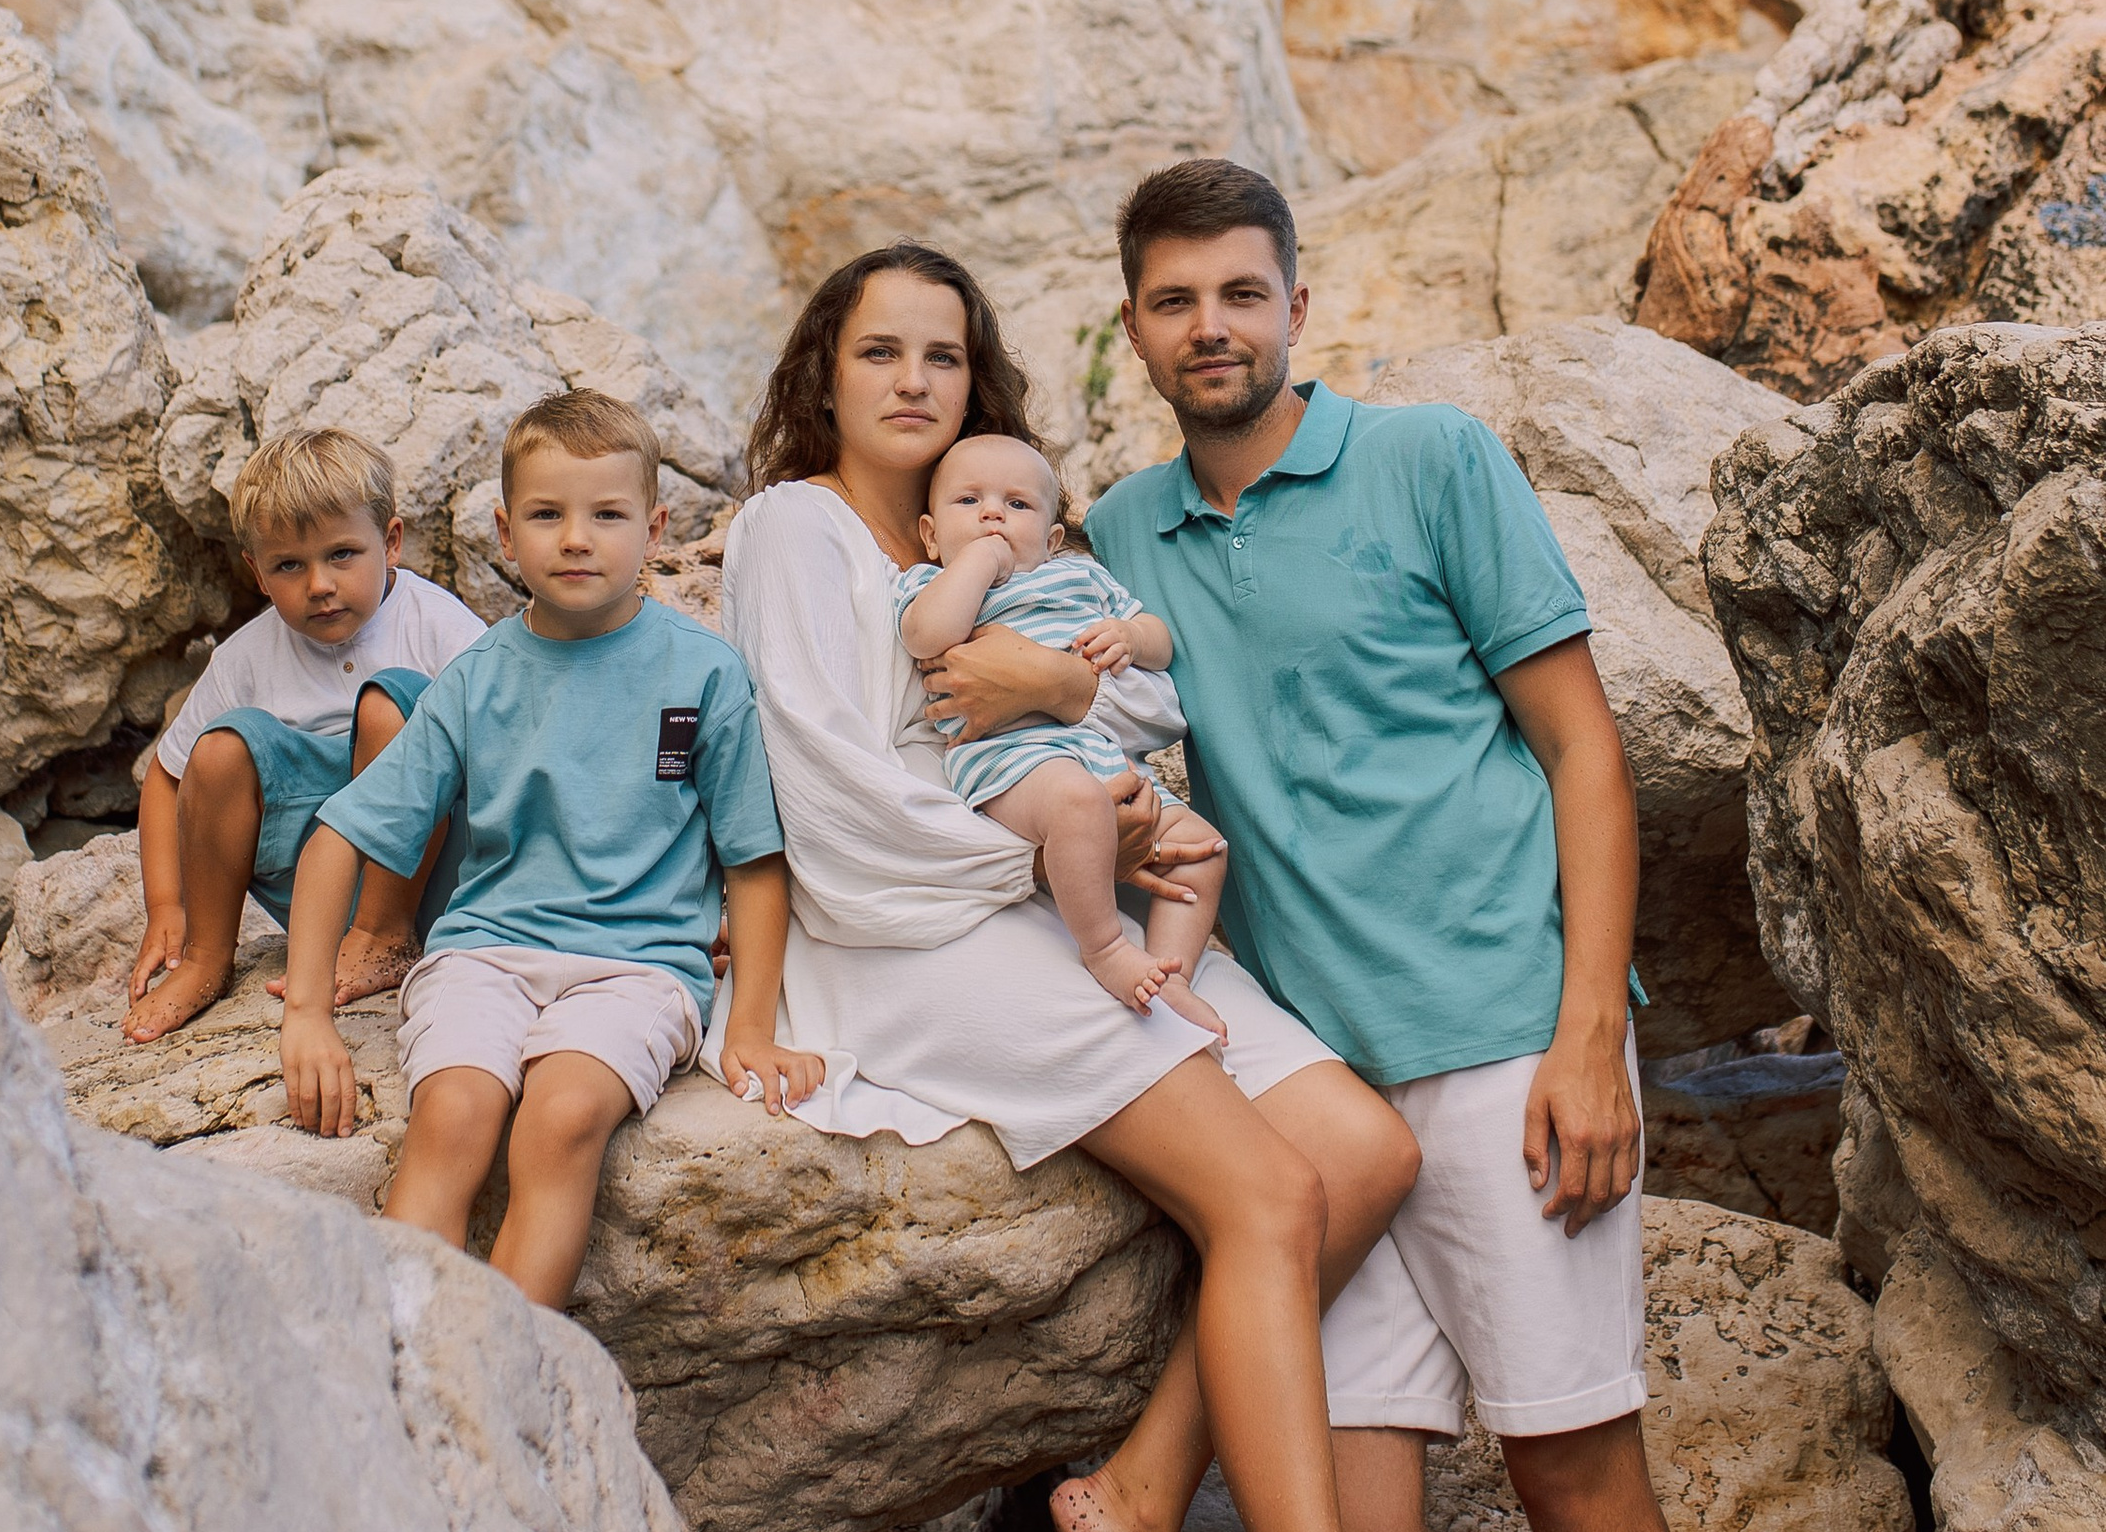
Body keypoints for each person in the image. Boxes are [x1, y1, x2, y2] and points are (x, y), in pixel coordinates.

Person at [721, 244, 1424, 1532]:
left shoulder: (1006, 516)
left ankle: (1140, 1490)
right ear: (824, 373)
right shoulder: (793, 527)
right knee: (1269, 1194)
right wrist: (1061, 840)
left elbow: (1142, 687)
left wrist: (1086, 754)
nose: (915, 379)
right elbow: (825, 786)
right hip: (918, 927)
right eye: (879, 350)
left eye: (943, 353)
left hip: (1070, 884)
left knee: (1364, 1153)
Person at [1085, 161, 1668, 1532]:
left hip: (1503, 1040)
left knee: (1570, 1471)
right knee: (1345, 1489)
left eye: (1240, 292)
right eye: (1175, 301)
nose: (1211, 325)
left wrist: (1588, 1041)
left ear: (1298, 300)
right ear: (1134, 330)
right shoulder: (1115, 536)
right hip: (1317, 1099)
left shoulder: (1432, 459)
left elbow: (1586, 752)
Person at [277, 390, 822, 1310]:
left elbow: (754, 861)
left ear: (653, 528)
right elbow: (341, 833)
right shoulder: (479, 677)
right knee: (453, 1115)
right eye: (546, 514)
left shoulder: (702, 672)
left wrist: (753, 1025)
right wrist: (306, 1012)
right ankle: (400, 1365)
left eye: (607, 515)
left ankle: (506, 1379)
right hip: (485, 954)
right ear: (504, 531)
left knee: (559, 1122)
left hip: (639, 968)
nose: (577, 539)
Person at [124, 426, 482, 1042]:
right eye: (289, 565)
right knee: (220, 748)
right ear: (258, 575)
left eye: (342, 554)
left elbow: (510, 746)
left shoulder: (439, 627)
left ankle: (382, 934)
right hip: (313, 898)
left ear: (391, 542)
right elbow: (167, 775)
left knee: (388, 705)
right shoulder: (249, 655)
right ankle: (210, 958)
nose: (318, 584)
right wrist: (166, 906)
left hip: (431, 876)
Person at [895, 432, 1227, 1034]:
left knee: (1204, 850)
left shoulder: (1079, 577)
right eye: (969, 502)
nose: (993, 514)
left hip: (1100, 753)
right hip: (1011, 761)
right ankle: (1104, 948)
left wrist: (1132, 638)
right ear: (930, 534)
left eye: (1017, 505)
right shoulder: (931, 583)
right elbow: (925, 636)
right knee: (1077, 806)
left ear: (1050, 539)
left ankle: (1173, 973)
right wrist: (977, 561)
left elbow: (1157, 636)